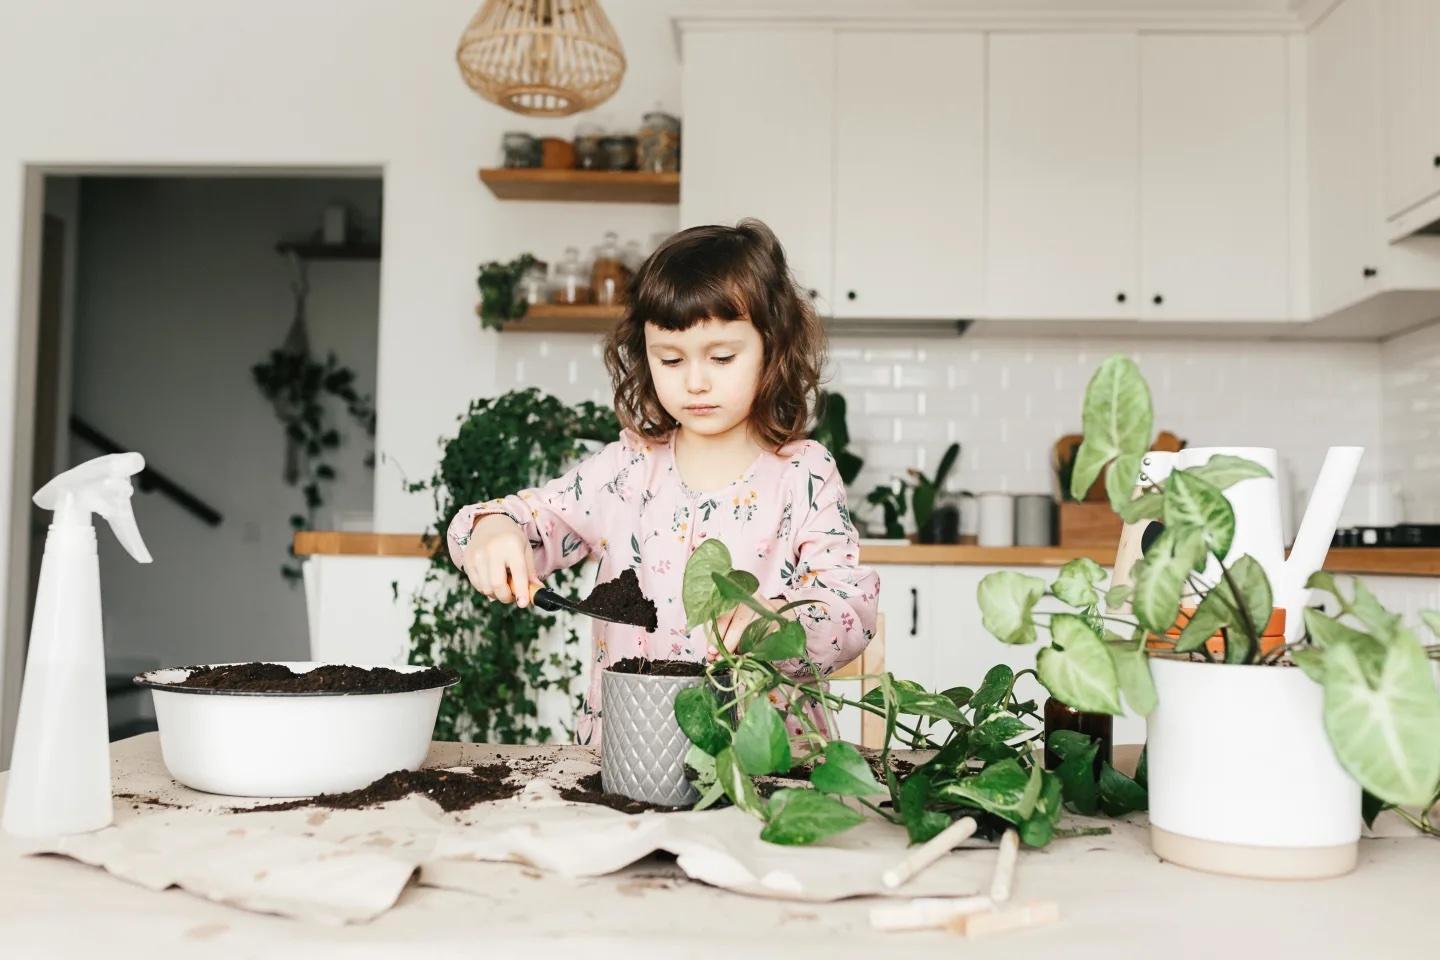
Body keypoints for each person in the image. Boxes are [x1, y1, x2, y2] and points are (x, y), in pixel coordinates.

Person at [448, 219, 879, 744]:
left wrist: (777, 626)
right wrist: (495, 531)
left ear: (772, 346)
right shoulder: (625, 471)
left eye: (722, 357)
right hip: (630, 756)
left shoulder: (804, 473)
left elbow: (848, 607)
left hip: (771, 764)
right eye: (670, 359)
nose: (695, 381)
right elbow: (524, 522)